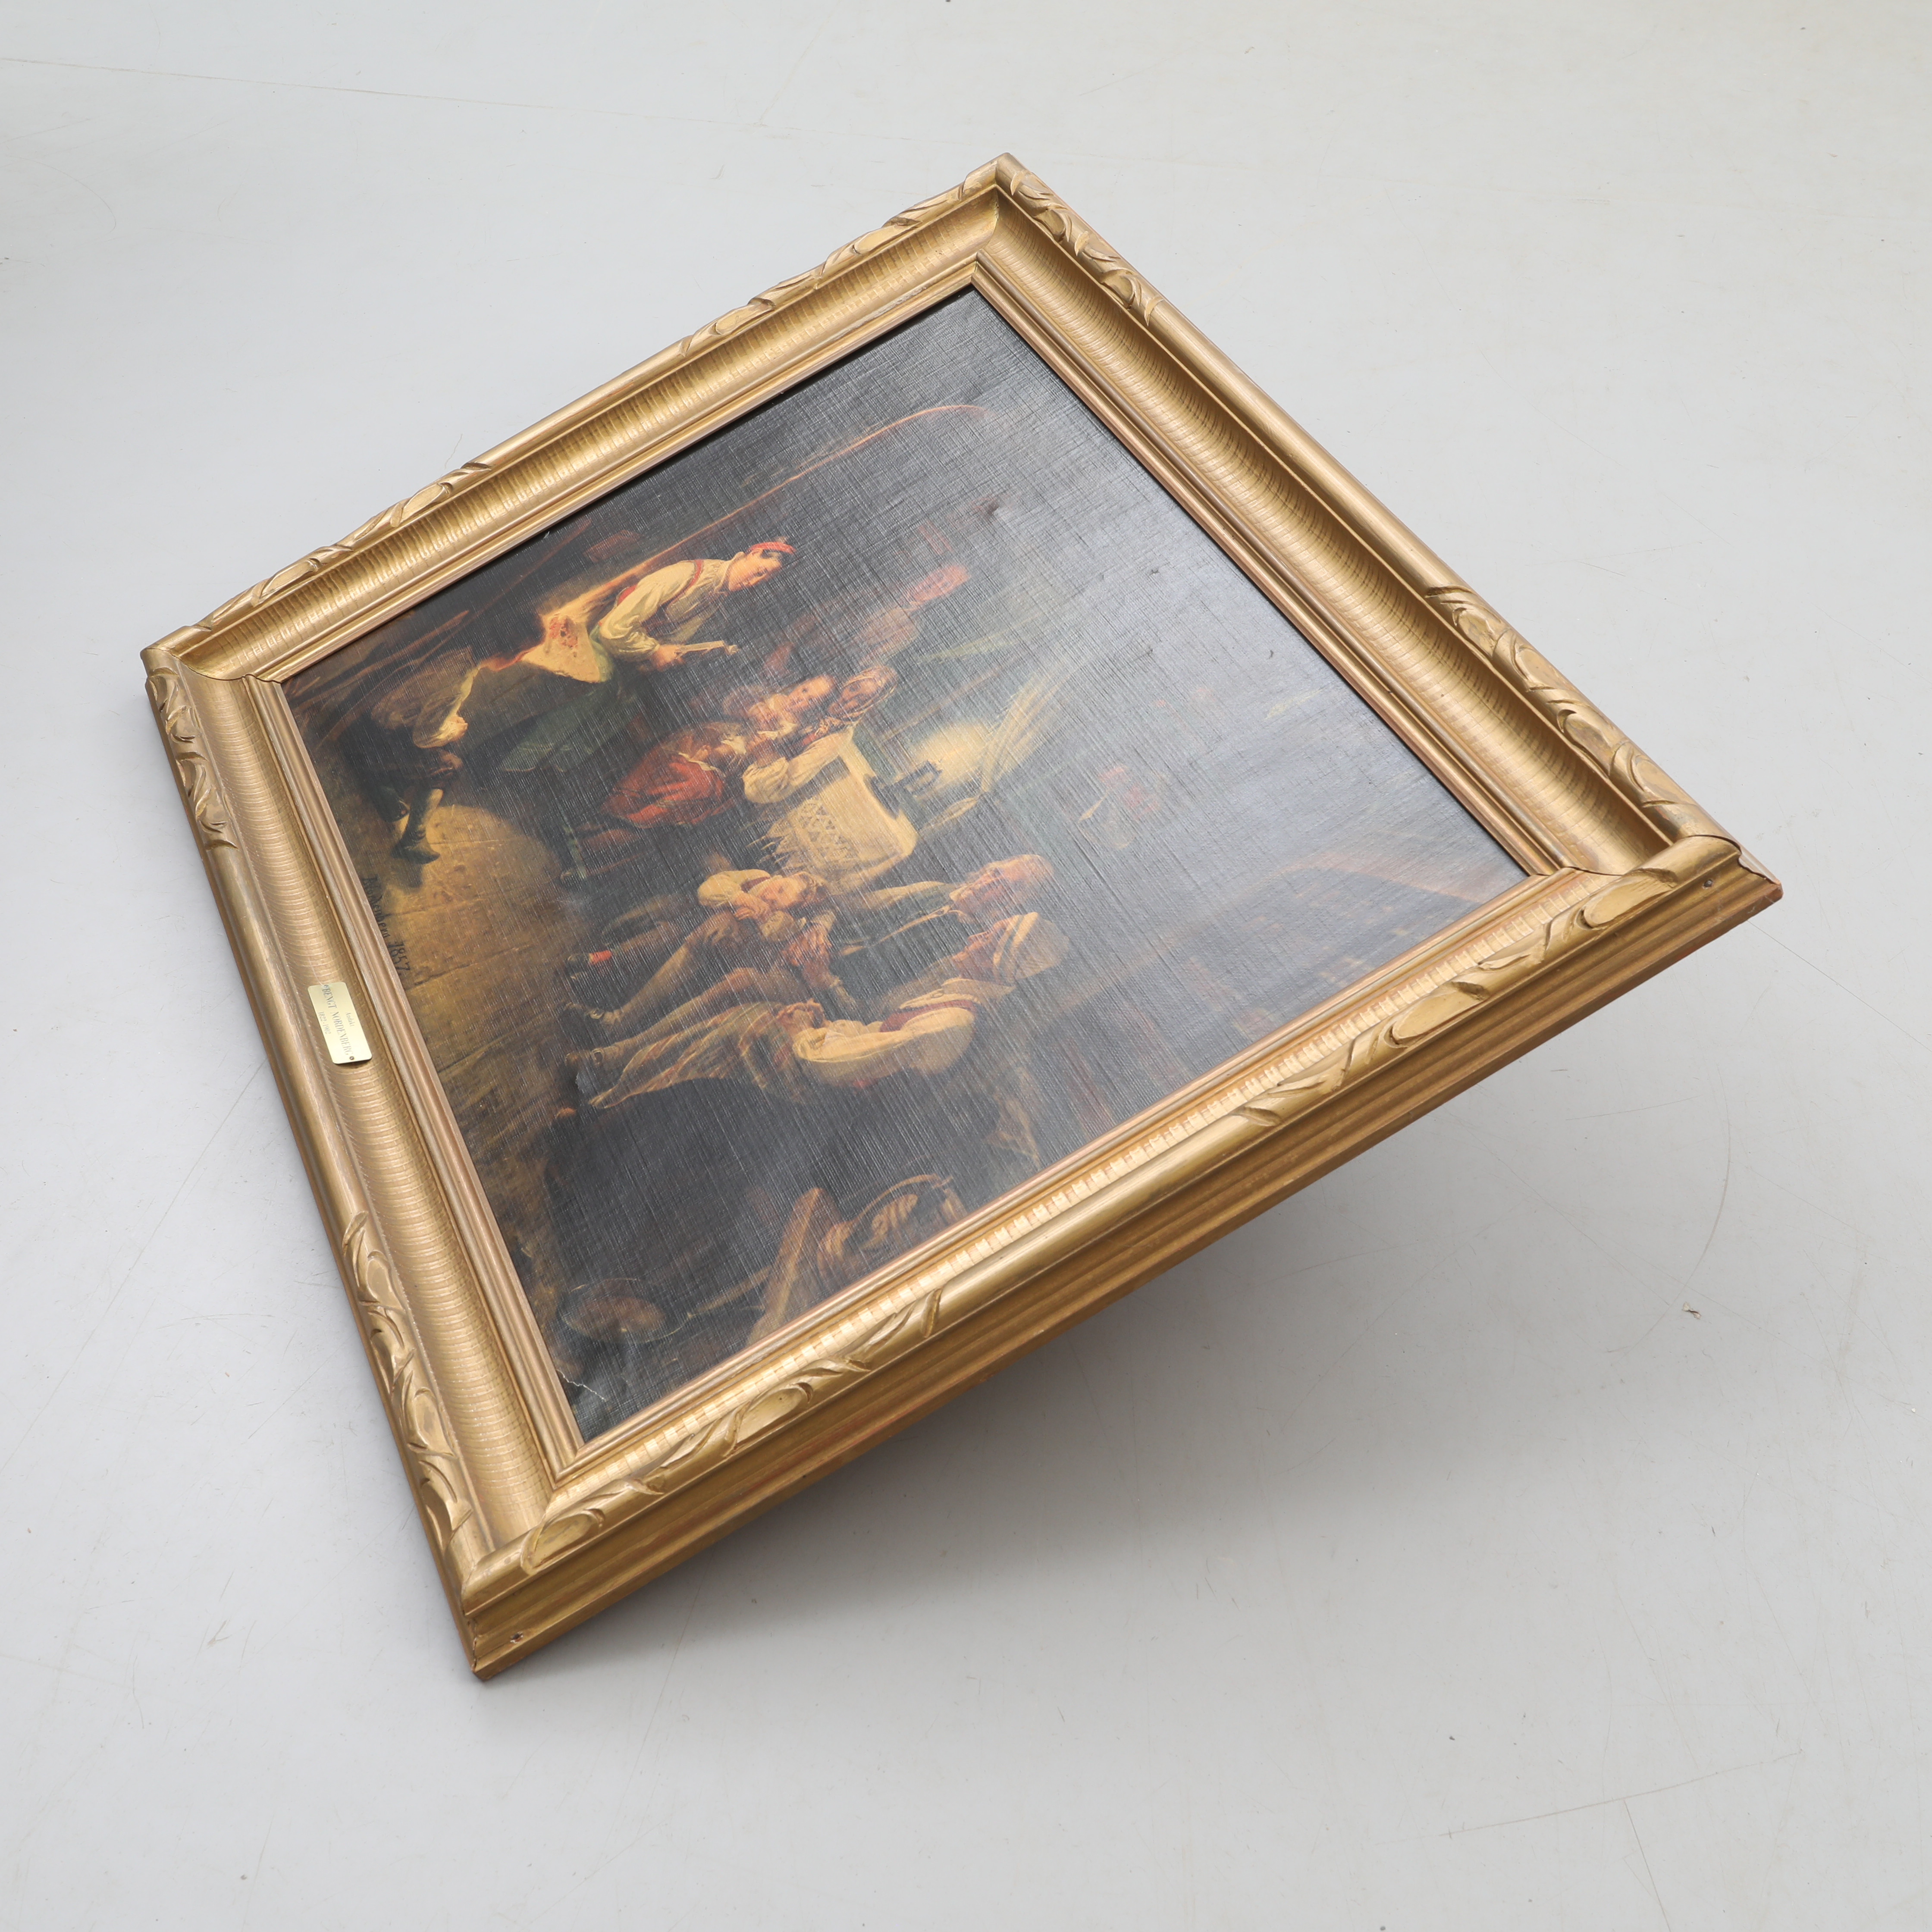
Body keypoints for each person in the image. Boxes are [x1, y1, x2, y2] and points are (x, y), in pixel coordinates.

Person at [368, 543, 795, 859]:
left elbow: (671, 635)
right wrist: (653, 652)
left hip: (633, 657)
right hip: (604, 644)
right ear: (747, 554)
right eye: (758, 570)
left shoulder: (719, 594)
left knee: (624, 706)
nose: (754, 581)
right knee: (595, 692)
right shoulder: (686, 575)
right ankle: (500, 765)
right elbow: (614, 630)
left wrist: (668, 655)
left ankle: (538, 774)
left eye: (765, 580)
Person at [562, 870, 831, 1044]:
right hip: (696, 928)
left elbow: (771, 934)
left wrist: (762, 918)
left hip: (722, 950)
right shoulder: (759, 878)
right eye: (780, 888)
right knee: (673, 927)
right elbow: (708, 889)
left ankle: (615, 1008)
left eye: (778, 902)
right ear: (783, 876)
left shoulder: (788, 922)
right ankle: (605, 969)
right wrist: (739, 897)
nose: (770, 896)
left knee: (712, 927)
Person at [818, 854, 1056, 1010]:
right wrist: (818, 929)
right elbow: (848, 906)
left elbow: (880, 1009)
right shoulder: (935, 891)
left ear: (1013, 902)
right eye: (995, 873)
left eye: (1004, 886)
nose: (987, 884)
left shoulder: (968, 950)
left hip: (830, 996)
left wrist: (825, 983)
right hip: (817, 948)